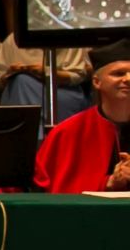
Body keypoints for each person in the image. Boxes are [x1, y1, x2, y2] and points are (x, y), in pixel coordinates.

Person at [33, 38, 130, 194]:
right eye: (118, 74)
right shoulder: (68, 132)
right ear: (97, 82)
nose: (128, 79)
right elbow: (55, 190)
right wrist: (109, 182)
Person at [0, 31, 90, 123]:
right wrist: (10, 73)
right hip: (17, 90)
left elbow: (78, 75)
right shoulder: (13, 39)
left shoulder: (69, 35)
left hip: (62, 91)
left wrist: (46, 72)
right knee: (20, 81)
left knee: (22, 82)